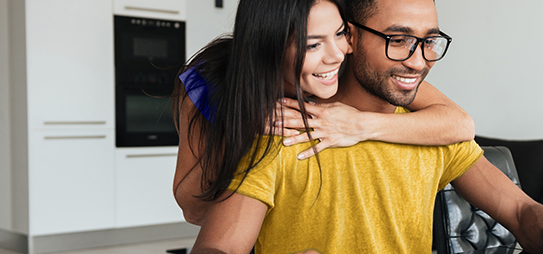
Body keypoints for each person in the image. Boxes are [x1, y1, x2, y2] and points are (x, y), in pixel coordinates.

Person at [181, 0, 543, 254]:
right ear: (352, 35)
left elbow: (521, 211)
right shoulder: (283, 129)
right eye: (397, 39)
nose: (419, 61)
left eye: (429, 41)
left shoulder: (430, 132)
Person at [172, 0, 475, 225]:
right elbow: (192, 210)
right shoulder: (210, 83)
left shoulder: (349, 63)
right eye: (313, 44)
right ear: (271, 49)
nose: (336, 54)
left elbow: (459, 124)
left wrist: (358, 124)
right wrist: (243, 125)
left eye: (340, 34)